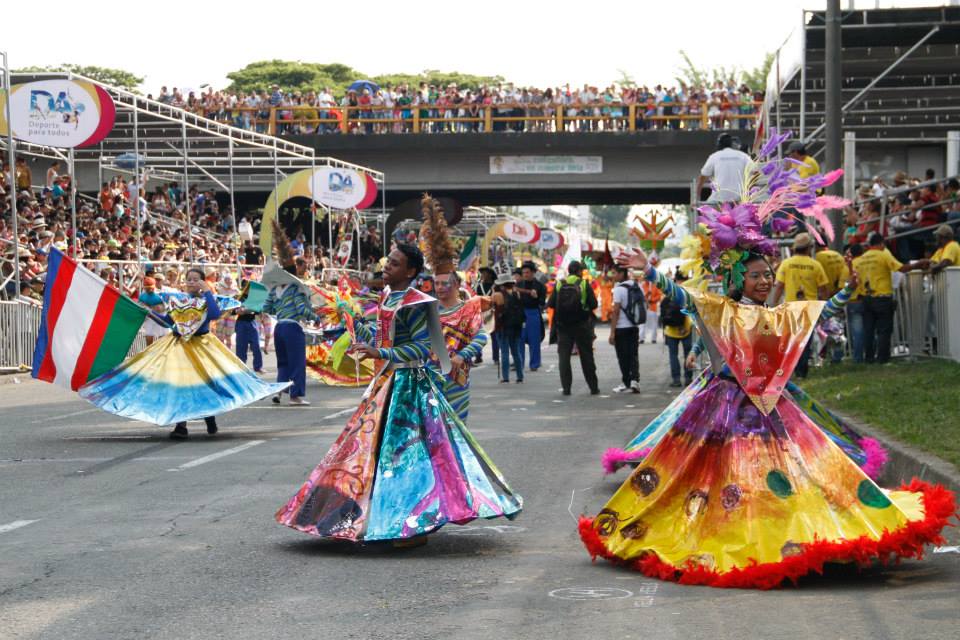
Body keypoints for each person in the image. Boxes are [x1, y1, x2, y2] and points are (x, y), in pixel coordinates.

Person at [580, 135, 954, 589]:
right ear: (739, 277)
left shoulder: (772, 316)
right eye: (757, 275)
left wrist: (842, 293)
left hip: (774, 411)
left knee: (794, 477)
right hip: (720, 409)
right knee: (713, 482)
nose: (765, 280)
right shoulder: (719, 311)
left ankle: (793, 535)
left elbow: (810, 316)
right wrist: (651, 269)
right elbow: (681, 296)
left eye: (767, 274)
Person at [275, 244, 522, 544]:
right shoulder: (386, 297)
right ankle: (378, 518)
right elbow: (378, 338)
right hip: (387, 383)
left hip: (411, 386)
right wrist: (351, 321)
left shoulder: (416, 303)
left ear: (411, 272)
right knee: (375, 453)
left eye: (394, 263)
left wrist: (378, 350)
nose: (386, 267)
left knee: (410, 457)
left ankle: (413, 525)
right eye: (387, 262)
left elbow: (423, 347)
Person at [80, 267, 288, 440]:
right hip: (178, 347)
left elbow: (214, 315)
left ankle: (210, 418)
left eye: (196, 279)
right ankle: (181, 426)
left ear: (203, 282)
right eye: (189, 279)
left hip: (203, 347)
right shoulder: (177, 302)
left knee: (208, 383)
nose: (191, 282)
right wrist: (149, 312)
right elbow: (169, 322)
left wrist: (207, 291)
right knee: (179, 385)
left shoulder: (209, 300)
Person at [262, 223, 320, 405]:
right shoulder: (295, 289)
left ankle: (278, 392)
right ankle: (295, 396)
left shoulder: (275, 290)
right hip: (293, 328)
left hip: (279, 328)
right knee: (297, 363)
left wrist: (280, 311)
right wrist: (315, 317)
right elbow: (302, 309)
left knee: (283, 363)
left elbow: (267, 308)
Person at [772, 232, 829, 377]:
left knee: (791, 341)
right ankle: (801, 371)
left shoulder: (786, 264)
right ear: (809, 248)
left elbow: (778, 286)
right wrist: (825, 306)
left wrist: (772, 305)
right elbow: (823, 289)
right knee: (805, 341)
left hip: (791, 308)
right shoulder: (815, 265)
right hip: (809, 308)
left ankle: (791, 370)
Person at [853, 232, 912, 364]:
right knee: (884, 330)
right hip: (882, 298)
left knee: (868, 330)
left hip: (866, 298)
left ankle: (868, 358)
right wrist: (917, 265)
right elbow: (900, 268)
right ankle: (882, 358)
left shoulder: (862, 258)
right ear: (881, 243)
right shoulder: (884, 254)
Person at [547, 260, 599, 396]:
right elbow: (593, 304)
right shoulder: (583, 283)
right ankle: (593, 387)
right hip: (581, 325)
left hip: (563, 326)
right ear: (579, 271)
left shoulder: (559, 283)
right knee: (586, 356)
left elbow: (551, 304)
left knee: (564, 358)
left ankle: (566, 388)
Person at [608, 266, 642, 394]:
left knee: (622, 356)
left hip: (621, 328)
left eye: (615, 273)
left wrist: (612, 332)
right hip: (634, 326)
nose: (613, 275)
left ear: (622, 274)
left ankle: (626, 382)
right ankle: (635, 381)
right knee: (633, 354)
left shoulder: (618, 289)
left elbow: (615, 311)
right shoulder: (637, 286)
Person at [694, 133, 751, 203]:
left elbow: (702, 178)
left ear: (719, 144)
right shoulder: (743, 156)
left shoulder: (714, 156)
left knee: (706, 209)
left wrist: (696, 198)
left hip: (719, 199)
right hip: (739, 198)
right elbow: (755, 172)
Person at [663, 271, 694, 388]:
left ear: (675, 280)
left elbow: (663, 311)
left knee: (673, 355)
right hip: (686, 329)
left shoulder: (669, 292)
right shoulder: (688, 292)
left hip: (671, 330)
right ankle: (688, 378)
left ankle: (676, 379)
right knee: (688, 354)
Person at [492, 273, 525, 384]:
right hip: (516, 327)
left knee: (504, 352)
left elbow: (490, 307)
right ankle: (520, 376)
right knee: (516, 352)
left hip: (502, 327)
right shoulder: (517, 294)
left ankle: (505, 377)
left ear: (501, 284)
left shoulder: (497, 295)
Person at [517, 261, 546, 372]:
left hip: (533, 313)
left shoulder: (540, 286)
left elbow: (542, 303)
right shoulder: (518, 285)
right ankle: (519, 363)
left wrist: (536, 297)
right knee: (519, 339)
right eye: (523, 272)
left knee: (534, 340)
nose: (525, 274)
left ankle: (534, 364)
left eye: (528, 272)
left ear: (533, 273)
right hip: (520, 314)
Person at [137, 277, 168, 346]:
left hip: (160, 318)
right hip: (149, 318)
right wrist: (146, 307)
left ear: (154, 286)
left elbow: (165, 307)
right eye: (147, 288)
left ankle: (161, 352)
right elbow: (139, 306)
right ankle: (148, 352)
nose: (150, 290)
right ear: (144, 288)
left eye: (151, 288)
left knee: (162, 336)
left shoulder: (160, 295)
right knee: (149, 335)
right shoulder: (142, 296)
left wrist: (156, 308)